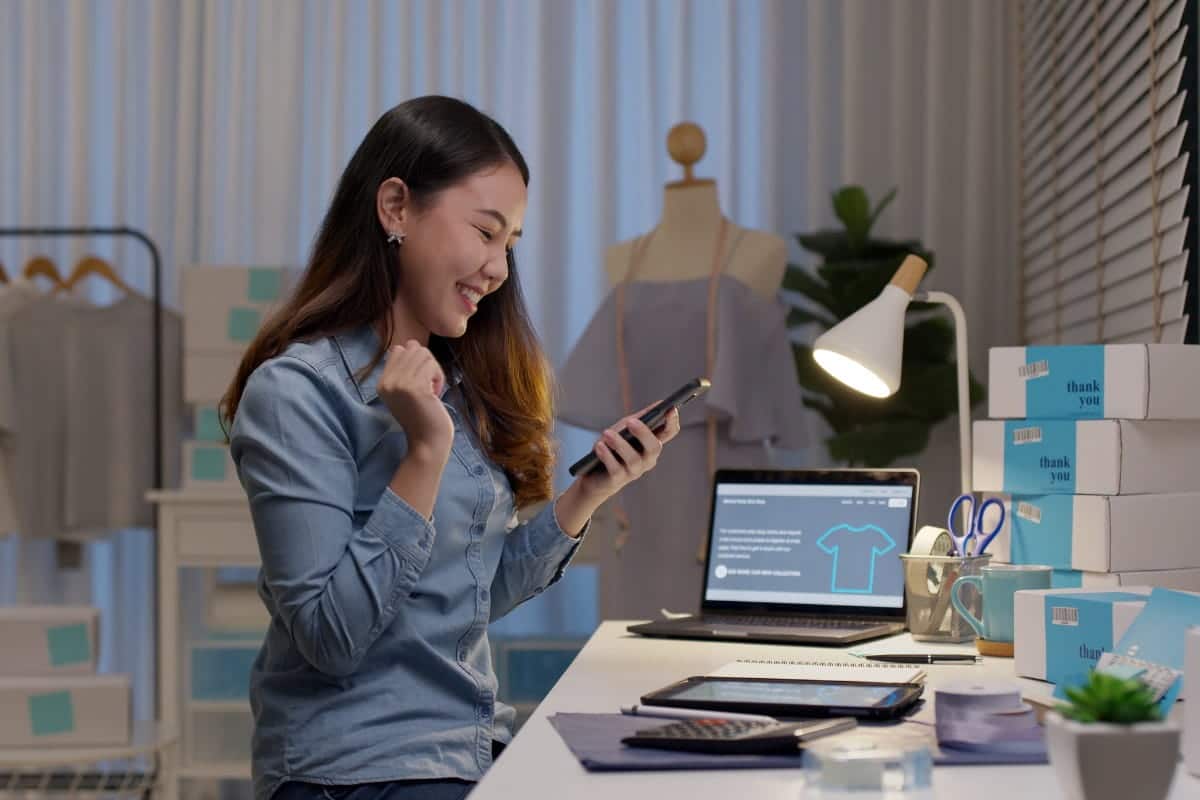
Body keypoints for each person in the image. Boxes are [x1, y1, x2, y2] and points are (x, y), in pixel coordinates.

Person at [221, 95, 680, 800]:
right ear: (396, 207)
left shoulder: (456, 385)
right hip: (353, 769)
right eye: (486, 232)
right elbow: (330, 637)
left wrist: (590, 492)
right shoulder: (296, 395)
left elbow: (466, 595)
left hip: (465, 747)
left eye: (512, 245)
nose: (497, 269)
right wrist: (424, 453)